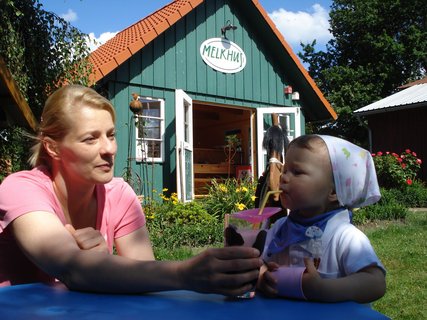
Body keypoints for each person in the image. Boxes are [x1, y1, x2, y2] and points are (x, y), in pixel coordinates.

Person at [0, 84, 262, 294]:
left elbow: (146, 277)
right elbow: (72, 268)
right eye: (91, 138)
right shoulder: (20, 189)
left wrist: (102, 263)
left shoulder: (120, 194)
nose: (110, 149)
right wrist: (185, 273)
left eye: (111, 135)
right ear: (53, 147)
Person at [257, 134, 386, 303]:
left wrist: (324, 289)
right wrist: (261, 276)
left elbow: (376, 283)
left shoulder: (345, 236)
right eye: (285, 170)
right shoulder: (280, 227)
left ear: (333, 191)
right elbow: (258, 262)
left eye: (297, 172)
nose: (284, 177)